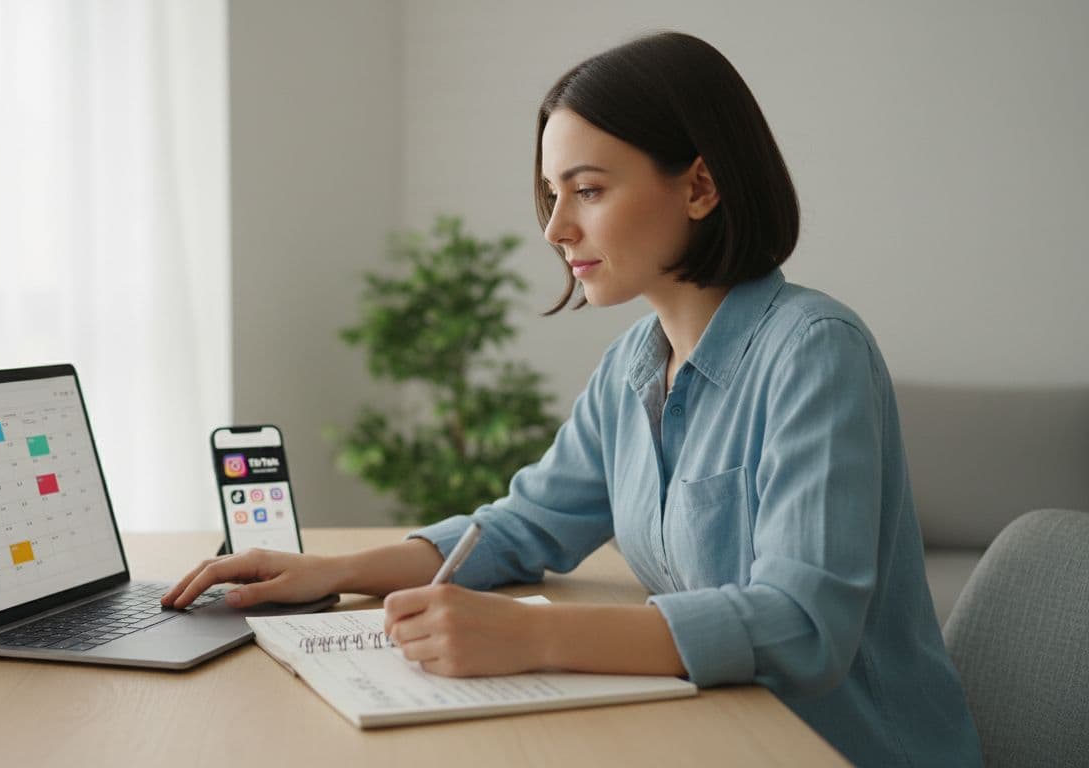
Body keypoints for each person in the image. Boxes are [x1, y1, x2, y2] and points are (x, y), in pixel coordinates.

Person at [163, 31, 981, 765]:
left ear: (699, 186)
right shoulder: (634, 363)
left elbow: (804, 627)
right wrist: (330, 572)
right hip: (712, 729)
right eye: (552, 194)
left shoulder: (814, 352)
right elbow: (526, 525)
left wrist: (533, 634)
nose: (555, 228)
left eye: (586, 190)